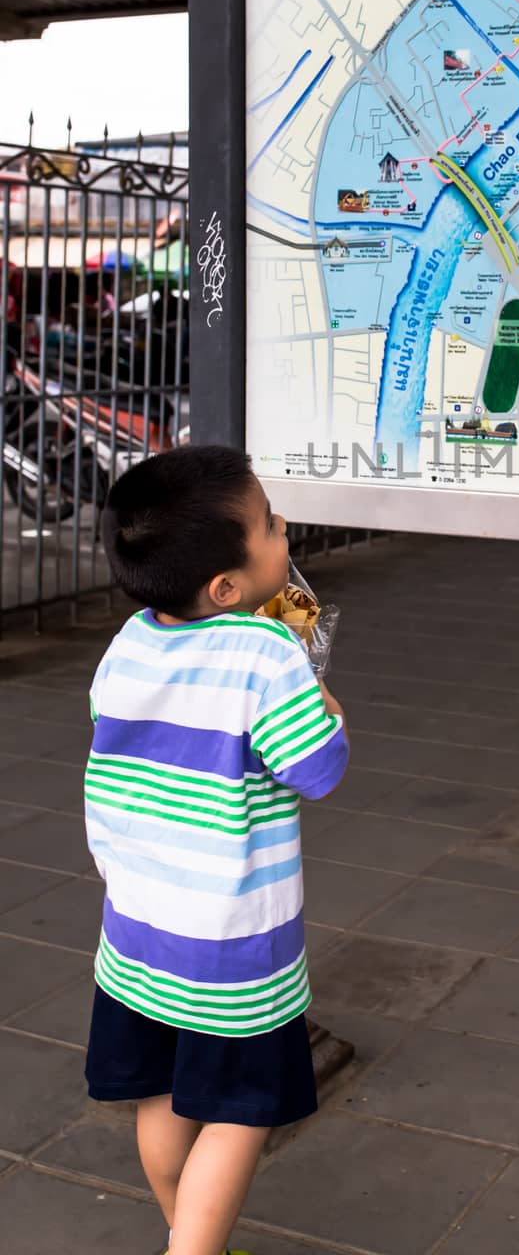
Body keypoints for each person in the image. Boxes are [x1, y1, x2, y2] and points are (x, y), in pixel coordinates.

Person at [84, 445, 349, 1255]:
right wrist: (322, 691)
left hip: (135, 933)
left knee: (162, 1097)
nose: (284, 530)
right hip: (235, 952)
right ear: (227, 588)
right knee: (239, 1112)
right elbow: (319, 769)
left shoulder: (129, 640)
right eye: (269, 525)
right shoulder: (265, 654)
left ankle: (183, 1230)